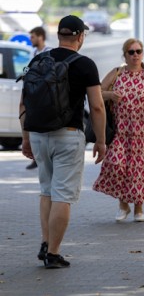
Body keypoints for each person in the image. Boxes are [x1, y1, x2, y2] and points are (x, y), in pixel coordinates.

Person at [19, 15, 107, 268]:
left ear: (59, 35)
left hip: (37, 134)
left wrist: (26, 137)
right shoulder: (85, 65)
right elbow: (98, 107)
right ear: (80, 36)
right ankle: (54, 253)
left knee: (46, 190)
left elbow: (24, 102)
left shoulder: (37, 60)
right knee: (62, 195)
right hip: (68, 135)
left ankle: (46, 243)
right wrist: (101, 141)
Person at [93, 38, 144, 222]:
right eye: (131, 52)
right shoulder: (117, 73)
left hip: (142, 132)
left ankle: (138, 208)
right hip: (120, 130)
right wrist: (110, 95)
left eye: (138, 51)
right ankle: (123, 205)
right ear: (125, 55)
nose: (135, 55)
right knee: (118, 165)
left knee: (137, 169)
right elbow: (96, 92)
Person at [25, 26, 53, 170]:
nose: (31, 39)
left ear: (41, 37)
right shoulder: (33, 52)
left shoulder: (49, 52)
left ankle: (43, 156)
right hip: (34, 93)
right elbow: (27, 69)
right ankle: (36, 156)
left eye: (33, 37)